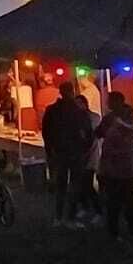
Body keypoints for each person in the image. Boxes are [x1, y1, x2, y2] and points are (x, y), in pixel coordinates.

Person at [41, 81, 91, 228]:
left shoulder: (52, 110)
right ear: (73, 91)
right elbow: (88, 132)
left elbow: (46, 132)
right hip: (75, 152)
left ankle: (58, 216)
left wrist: (49, 150)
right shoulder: (78, 110)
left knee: (61, 185)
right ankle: (71, 217)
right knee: (74, 186)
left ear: (60, 92)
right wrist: (85, 149)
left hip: (59, 152)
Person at [95, 91, 133, 240]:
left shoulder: (114, 118)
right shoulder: (129, 115)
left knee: (116, 201)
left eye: (109, 101)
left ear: (115, 102)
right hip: (125, 164)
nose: (107, 104)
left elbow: (98, 133)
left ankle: (116, 231)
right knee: (129, 200)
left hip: (116, 165)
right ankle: (132, 230)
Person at [74, 94, 104, 222]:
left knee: (87, 183)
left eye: (80, 104)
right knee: (80, 183)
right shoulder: (75, 118)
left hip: (90, 155)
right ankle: (85, 207)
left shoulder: (94, 117)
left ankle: (98, 210)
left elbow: (93, 136)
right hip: (79, 155)